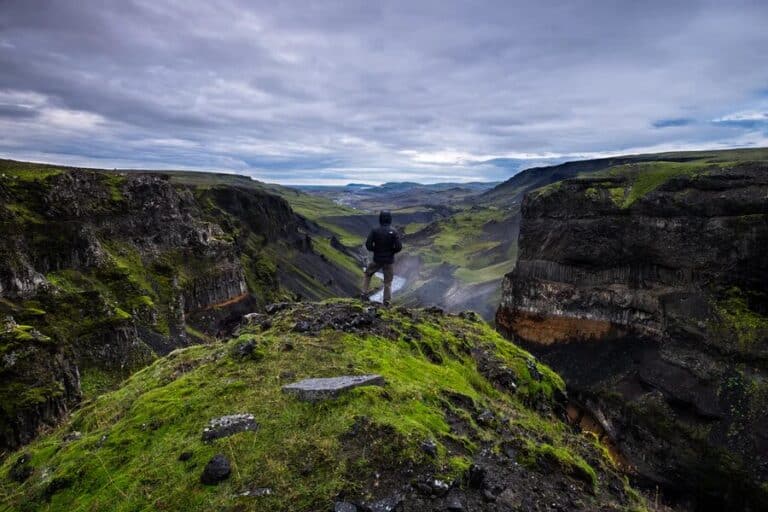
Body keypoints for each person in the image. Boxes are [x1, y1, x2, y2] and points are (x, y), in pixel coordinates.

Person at [361, 210, 402, 306]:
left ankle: (363, 294)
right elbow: (399, 247)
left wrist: (375, 250)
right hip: (389, 261)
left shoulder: (375, 231)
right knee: (388, 282)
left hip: (377, 259)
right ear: (389, 219)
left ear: (380, 218)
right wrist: (391, 252)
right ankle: (386, 301)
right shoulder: (394, 231)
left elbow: (368, 245)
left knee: (368, 273)